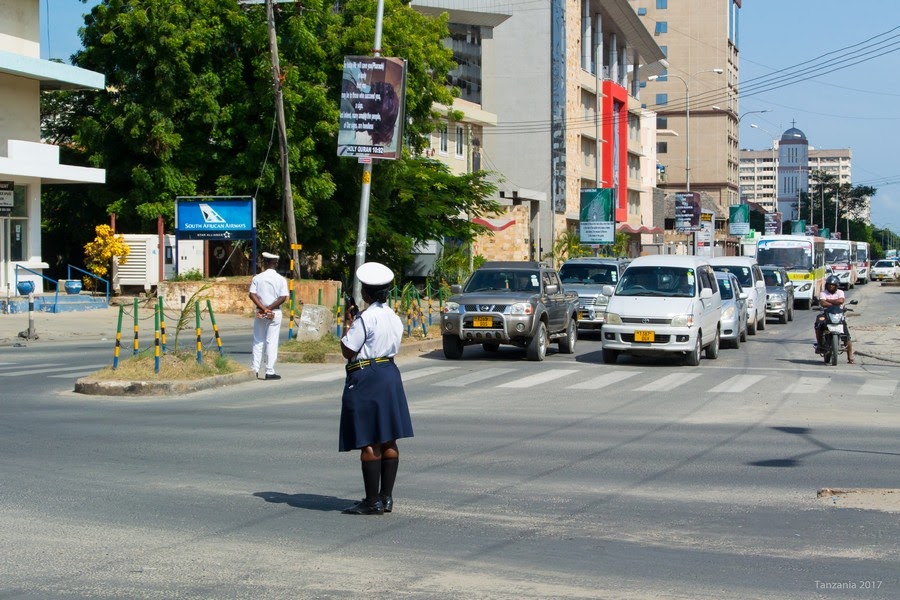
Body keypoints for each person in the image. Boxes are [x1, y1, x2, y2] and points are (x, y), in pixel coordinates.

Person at [339, 262, 414, 515]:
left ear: (366, 293)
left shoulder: (365, 317)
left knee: (369, 440)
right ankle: (386, 497)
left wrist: (348, 322)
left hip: (367, 375)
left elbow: (348, 350)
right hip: (389, 373)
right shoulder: (392, 316)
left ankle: (372, 502)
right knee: (388, 436)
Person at [248, 252, 289, 380]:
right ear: (275, 264)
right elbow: (283, 297)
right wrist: (269, 309)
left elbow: (251, 294)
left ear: (265, 263)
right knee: (271, 341)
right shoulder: (281, 279)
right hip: (274, 313)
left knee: (258, 340)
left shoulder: (257, 278)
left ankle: (254, 369)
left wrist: (263, 309)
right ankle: (269, 371)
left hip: (260, 312)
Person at [815, 275, 854, 364]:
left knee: (847, 334)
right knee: (818, 324)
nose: (831, 286)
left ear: (836, 286)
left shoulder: (840, 292)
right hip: (826, 314)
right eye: (829, 285)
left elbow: (841, 301)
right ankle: (819, 343)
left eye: (833, 285)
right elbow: (822, 303)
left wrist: (828, 301)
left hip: (838, 315)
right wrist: (833, 303)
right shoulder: (823, 293)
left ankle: (850, 355)